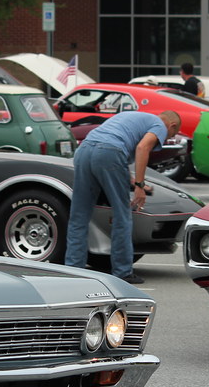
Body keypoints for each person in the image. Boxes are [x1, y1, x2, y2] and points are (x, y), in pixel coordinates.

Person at [64, 110, 181, 284]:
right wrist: (140, 186)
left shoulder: (131, 117)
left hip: (84, 150)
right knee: (122, 215)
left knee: (79, 215)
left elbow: (115, 150)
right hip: (108, 152)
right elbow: (142, 148)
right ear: (172, 125)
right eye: (172, 134)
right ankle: (122, 271)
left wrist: (132, 181)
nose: (166, 138)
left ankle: (73, 269)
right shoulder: (159, 124)